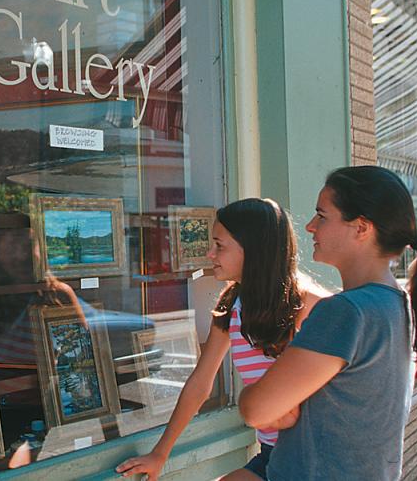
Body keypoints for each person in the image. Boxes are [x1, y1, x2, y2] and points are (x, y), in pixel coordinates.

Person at [239, 166, 417, 480]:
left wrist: (257, 396)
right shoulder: (398, 303)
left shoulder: (346, 311)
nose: (309, 226)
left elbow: (256, 410)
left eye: (322, 215)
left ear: (361, 227)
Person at [115, 198, 328, 480]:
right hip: (272, 454)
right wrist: (160, 454)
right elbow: (200, 384)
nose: (210, 253)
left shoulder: (313, 307)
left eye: (219, 245)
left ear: (253, 250)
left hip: (315, 462)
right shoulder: (232, 305)